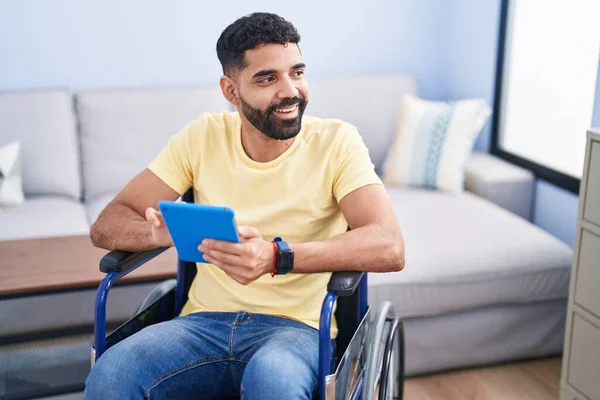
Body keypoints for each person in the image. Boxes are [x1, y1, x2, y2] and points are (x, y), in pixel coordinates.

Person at [84, 11, 405, 400]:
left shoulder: (337, 142)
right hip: (199, 325)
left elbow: (389, 245)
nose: (290, 90)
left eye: (297, 73)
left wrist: (276, 257)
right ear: (231, 90)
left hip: (294, 330)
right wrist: (152, 234)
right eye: (267, 78)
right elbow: (107, 223)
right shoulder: (202, 137)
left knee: (275, 383)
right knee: (112, 372)